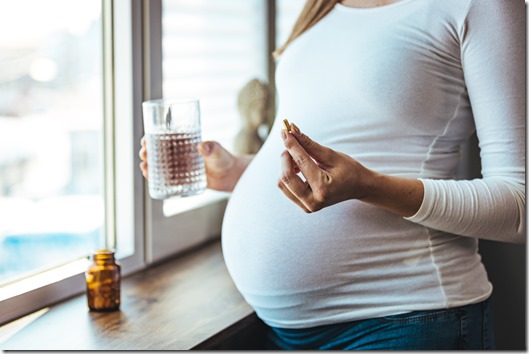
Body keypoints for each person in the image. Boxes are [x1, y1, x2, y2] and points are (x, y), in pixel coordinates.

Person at [140, 0, 525, 349]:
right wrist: (239, 172)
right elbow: (334, 146)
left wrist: (367, 185)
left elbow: (519, 206)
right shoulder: (319, 8)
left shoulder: (479, 6)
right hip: (280, 332)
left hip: (402, 320)